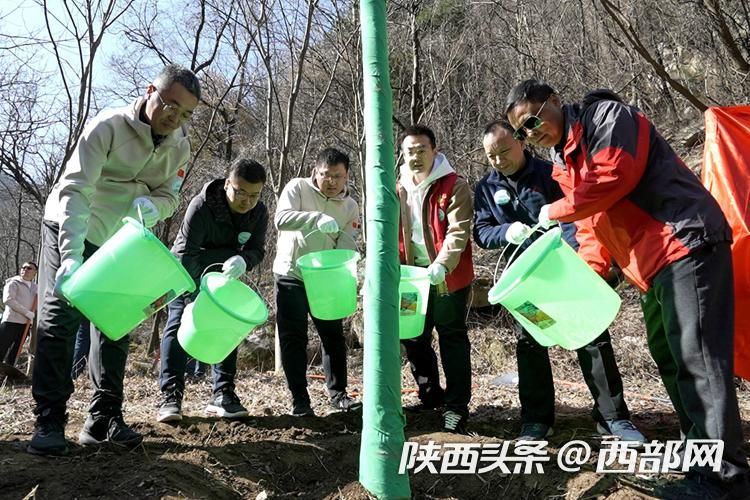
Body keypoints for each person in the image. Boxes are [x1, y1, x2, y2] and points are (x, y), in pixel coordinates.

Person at [506, 79, 750, 499]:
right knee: (671, 356)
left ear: (556, 102)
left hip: (684, 240)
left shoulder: (609, 118)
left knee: (697, 359)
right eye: (522, 132)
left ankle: (725, 479)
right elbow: (590, 228)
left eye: (532, 120)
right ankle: (701, 464)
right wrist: (584, 284)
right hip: (650, 266)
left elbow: (613, 176)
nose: (531, 133)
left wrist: (554, 209)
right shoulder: (565, 163)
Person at [29, 64, 200, 456]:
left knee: (116, 324)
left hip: (120, 241)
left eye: (186, 113)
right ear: (149, 91)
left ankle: (103, 418)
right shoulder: (107, 126)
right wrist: (71, 258)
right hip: (70, 227)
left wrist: (152, 206)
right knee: (60, 318)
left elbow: (170, 194)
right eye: (170, 105)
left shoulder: (180, 145)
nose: (175, 117)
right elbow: (75, 190)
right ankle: (49, 419)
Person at [474, 120, 646, 443]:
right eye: (491, 155)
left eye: (503, 151)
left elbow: (576, 213)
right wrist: (505, 232)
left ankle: (613, 417)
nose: (498, 159)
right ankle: (537, 420)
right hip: (526, 284)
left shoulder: (548, 173)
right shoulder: (486, 188)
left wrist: (572, 253)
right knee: (530, 343)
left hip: (564, 272)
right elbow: (481, 232)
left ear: (521, 144)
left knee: (591, 336)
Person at [157, 158, 269, 423]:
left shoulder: (259, 212)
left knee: (226, 326)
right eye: (241, 192)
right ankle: (171, 396)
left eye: (254, 195)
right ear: (228, 184)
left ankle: (223, 394)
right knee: (178, 322)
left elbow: (257, 249)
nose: (247, 201)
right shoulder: (202, 205)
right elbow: (186, 253)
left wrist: (245, 261)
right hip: (187, 271)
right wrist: (194, 296)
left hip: (224, 274)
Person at [396, 125, 474, 434]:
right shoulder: (397, 187)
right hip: (410, 277)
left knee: (451, 336)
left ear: (434, 151)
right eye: (409, 152)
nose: (415, 157)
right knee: (413, 336)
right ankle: (430, 394)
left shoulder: (454, 186)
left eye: (421, 150)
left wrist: (442, 264)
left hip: (446, 277)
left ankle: (456, 407)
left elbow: (459, 231)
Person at [274, 147, 361, 417]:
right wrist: (315, 219)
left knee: (333, 336)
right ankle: (299, 399)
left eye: (338, 176)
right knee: (294, 337)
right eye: (326, 175)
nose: (332, 182)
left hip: (326, 280)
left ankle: (339, 395)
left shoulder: (349, 206)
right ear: (315, 171)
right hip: (292, 273)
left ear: (346, 176)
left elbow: (346, 245)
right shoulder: (297, 188)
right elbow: (281, 219)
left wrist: (342, 275)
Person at [0, 262, 38, 365]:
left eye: (29, 268)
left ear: (35, 273)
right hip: (11, 322)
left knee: (15, 352)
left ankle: (8, 375)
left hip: (25, 325)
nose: (25, 270)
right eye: (23, 267)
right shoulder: (13, 283)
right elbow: (8, 300)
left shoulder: (36, 288)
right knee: (1, 349)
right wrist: (26, 312)